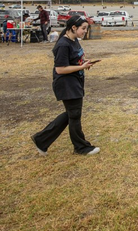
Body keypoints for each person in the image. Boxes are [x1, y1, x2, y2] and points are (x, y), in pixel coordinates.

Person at [31, 15, 101, 156]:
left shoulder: (74, 40)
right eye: (83, 28)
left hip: (74, 82)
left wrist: (84, 63)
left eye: (86, 29)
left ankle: (41, 139)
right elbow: (60, 69)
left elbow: (74, 60)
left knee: (72, 113)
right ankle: (81, 147)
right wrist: (81, 67)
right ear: (73, 28)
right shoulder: (63, 44)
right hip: (66, 84)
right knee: (74, 114)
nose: (85, 32)